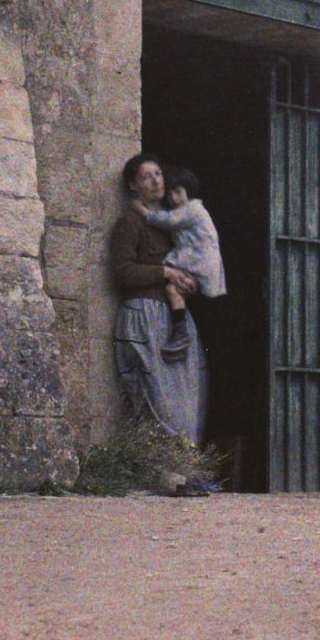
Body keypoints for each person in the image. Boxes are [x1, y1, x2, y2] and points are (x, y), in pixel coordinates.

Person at [110, 153, 208, 445]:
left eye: (158, 174)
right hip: (144, 317)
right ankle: (161, 472)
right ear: (132, 186)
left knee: (188, 396)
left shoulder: (174, 221)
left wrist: (189, 280)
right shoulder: (129, 222)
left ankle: (185, 468)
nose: (155, 181)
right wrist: (165, 272)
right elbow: (122, 272)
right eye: (145, 177)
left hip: (174, 318)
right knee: (157, 399)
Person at [141, 165, 226, 362]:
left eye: (178, 192)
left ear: (189, 190)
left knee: (172, 288)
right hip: (195, 260)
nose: (174, 198)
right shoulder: (185, 210)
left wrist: (142, 211)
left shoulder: (192, 209)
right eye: (169, 194)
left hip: (199, 262)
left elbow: (168, 221)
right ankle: (181, 332)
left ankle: (181, 333)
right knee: (174, 287)